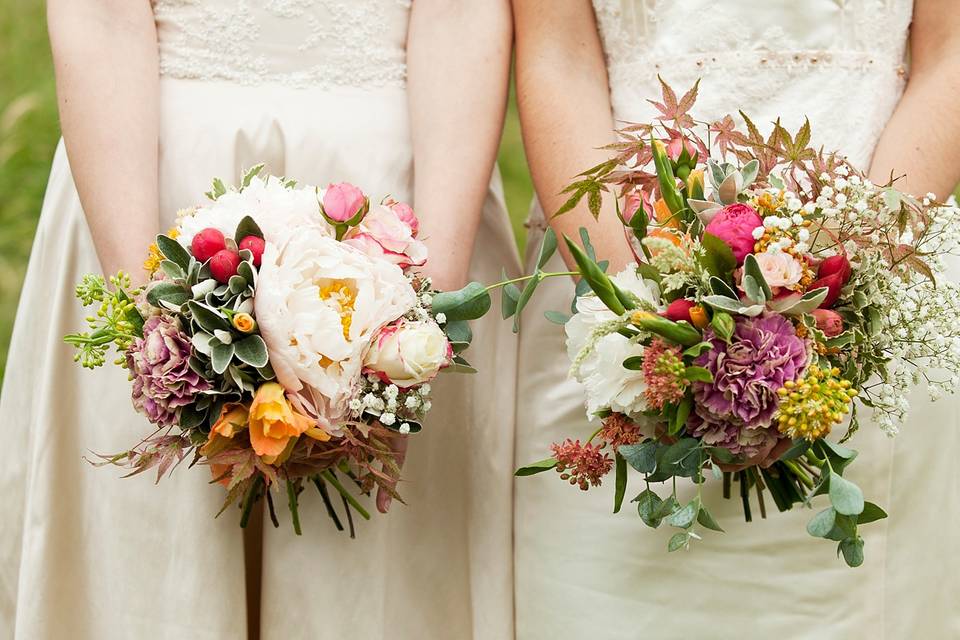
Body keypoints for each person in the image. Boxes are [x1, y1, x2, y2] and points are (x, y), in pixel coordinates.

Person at [0, 1, 519, 638]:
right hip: (145, 174)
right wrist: (154, 312)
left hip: (407, 188)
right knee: (163, 548)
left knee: (375, 566)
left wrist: (418, 323)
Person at [512, 0, 960, 637]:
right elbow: (558, 56)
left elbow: (950, 54)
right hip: (612, 268)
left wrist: (837, 285)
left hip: (874, 284)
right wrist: (646, 318)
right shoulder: (630, 310)